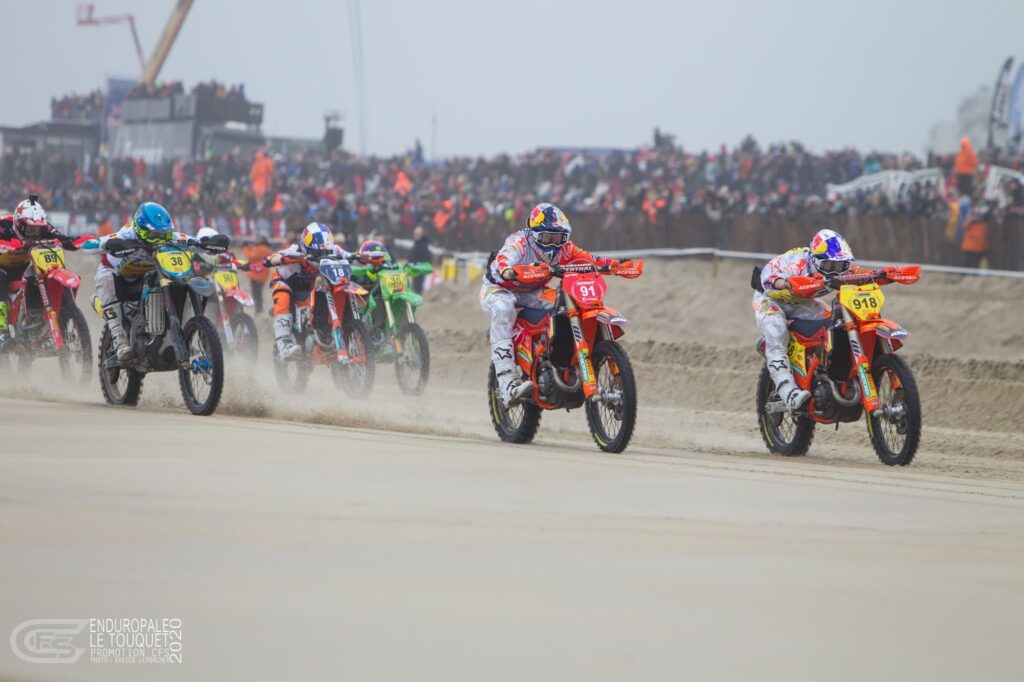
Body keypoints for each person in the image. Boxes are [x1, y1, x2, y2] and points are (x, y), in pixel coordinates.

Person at [479, 202, 619, 405]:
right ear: (534, 233)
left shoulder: (565, 249)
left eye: (558, 238)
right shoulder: (519, 242)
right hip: (501, 288)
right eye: (547, 237)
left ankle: (556, 357)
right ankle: (507, 385)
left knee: (567, 305)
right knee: (504, 308)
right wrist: (507, 269)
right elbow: (503, 259)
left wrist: (616, 265)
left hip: (533, 291)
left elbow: (590, 259)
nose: (553, 244)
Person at [752, 228, 855, 411]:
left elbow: (860, 273)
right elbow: (766, 278)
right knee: (777, 331)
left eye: (840, 266)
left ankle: (824, 371)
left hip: (803, 302)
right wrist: (785, 283)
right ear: (815, 260)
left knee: (834, 323)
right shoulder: (795, 262)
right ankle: (788, 392)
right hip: (770, 299)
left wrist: (887, 274)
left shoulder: (839, 268)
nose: (835, 271)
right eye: (830, 266)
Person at [94, 202, 191, 362]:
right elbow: (88, 245)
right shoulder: (126, 234)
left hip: (145, 273)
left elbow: (191, 240)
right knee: (105, 278)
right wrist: (108, 244)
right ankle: (119, 339)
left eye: (163, 236)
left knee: (177, 281)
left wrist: (208, 242)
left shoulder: (164, 232)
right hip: (117, 273)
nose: (159, 240)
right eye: (155, 236)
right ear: (140, 229)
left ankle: (183, 332)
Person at [263, 222, 356, 360]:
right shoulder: (295, 250)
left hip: (308, 286)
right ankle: (284, 345)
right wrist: (281, 258)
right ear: (306, 248)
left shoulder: (335, 250)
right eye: (318, 252)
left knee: (322, 296)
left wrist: (367, 257)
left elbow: (352, 256)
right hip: (284, 282)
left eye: (326, 252)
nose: (323, 255)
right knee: (283, 300)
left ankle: (323, 333)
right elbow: (268, 260)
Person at [0, 196, 84, 347]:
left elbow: (62, 238)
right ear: (19, 225)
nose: (35, 233)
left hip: (25, 266)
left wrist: (79, 241)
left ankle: (47, 321)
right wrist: (9, 244)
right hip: (3, 267)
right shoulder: (3, 225)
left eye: (38, 229)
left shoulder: (42, 226)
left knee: (41, 277)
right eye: (31, 229)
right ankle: (2, 331)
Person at [241, 236, 272, 314]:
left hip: (257, 276)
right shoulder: (263, 249)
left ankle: (258, 311)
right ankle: (259, 310)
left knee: (257, 295)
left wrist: (245, 248)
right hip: (260, 276)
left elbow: (251, 257)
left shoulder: (262, 249)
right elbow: (254, 256)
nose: (255, 241)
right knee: (258, 295)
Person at [408, 225, 432, 294]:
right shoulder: (416, 243)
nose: (416, 236)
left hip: (420, 269)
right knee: (414, 285)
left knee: (418, 287)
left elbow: (425, 257)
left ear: (421, 235)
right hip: (414, 268)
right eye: (415, 234)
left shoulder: (423, 244)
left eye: (418, 234)